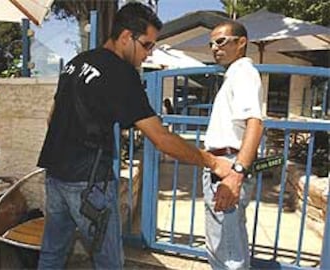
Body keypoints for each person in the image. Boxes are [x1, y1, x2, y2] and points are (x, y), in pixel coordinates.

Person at [37, 3, 230, 269]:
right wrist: (212, 161)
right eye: (147, 45)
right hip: (89, 183)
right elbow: (160, 138)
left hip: (55, 174)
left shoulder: (76, 62)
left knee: (51, 253)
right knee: (109, 262)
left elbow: (52, 117)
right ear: (126, 36)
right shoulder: (122, 74)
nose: (149, 54)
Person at [202, 21, 264, 269]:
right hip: (223, 166)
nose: (215, 48)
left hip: (227, 168)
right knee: (229, 244)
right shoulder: (234, 76)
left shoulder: (243, 73)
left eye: (221, 41)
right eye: (211, 44)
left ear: (241, 42)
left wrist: (237, 173)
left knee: (226, 252)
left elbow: (255, 124)